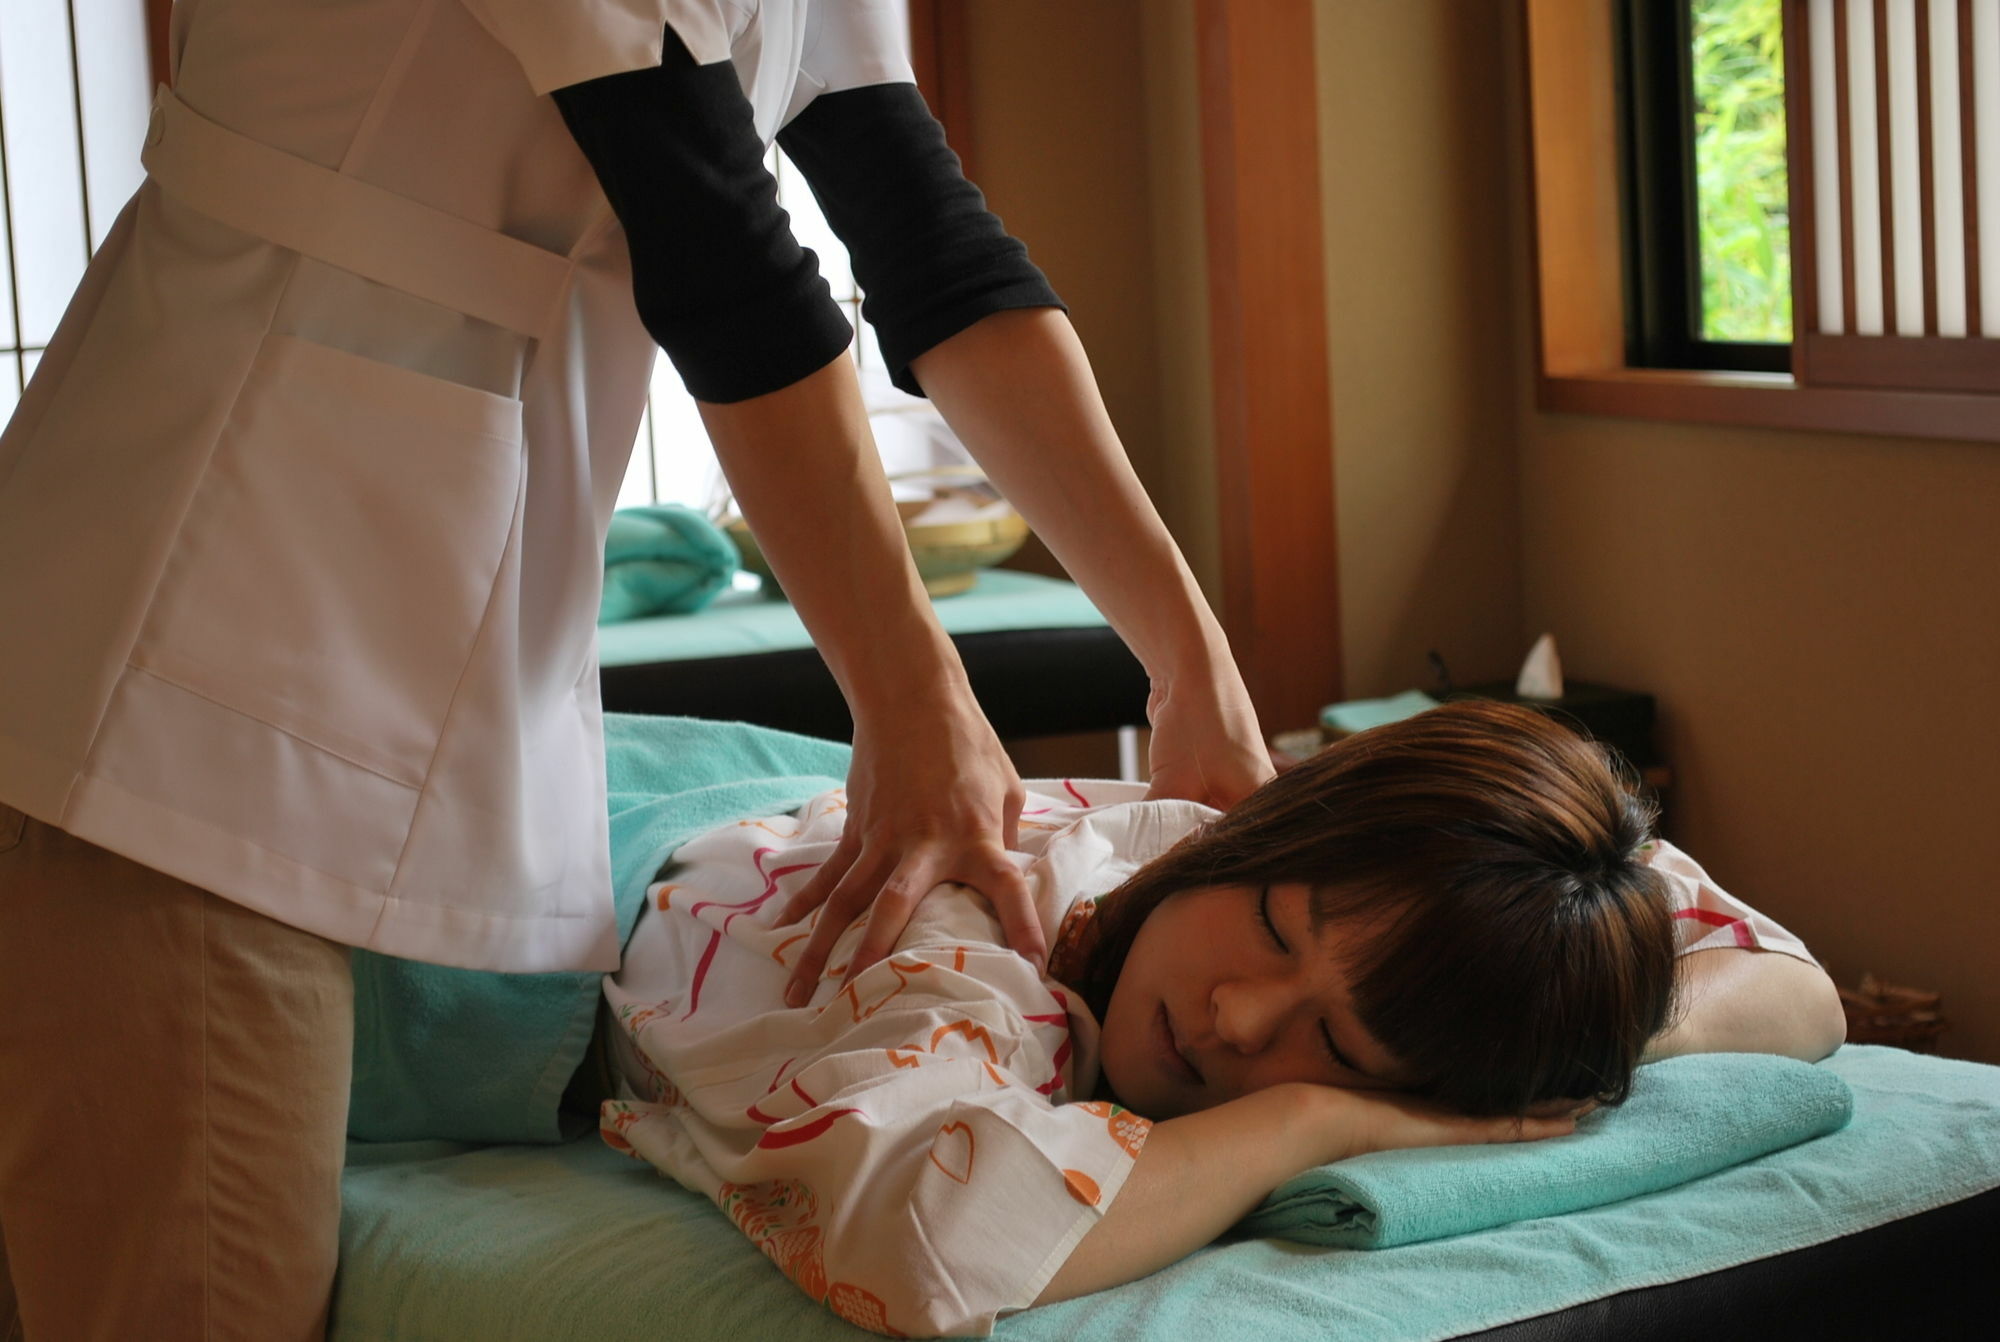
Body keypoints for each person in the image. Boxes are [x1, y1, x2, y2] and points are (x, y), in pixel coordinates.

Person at [0, 2, 1268, 1336]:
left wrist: (1196, 671)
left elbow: (931, 243)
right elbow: (720, 250)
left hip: (378, 652)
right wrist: (914, 695)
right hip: (179, 650)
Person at [587, 701, 1848, 1336]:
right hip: (572, 863)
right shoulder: (982, 945)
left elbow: (1793, 987)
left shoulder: (1409, 904)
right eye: (1270, 927)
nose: (1236, 1017)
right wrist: (1325, 1107)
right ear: (1271, 821)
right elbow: (933, 1238)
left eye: (1342, 1039)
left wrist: (1565, 1054)